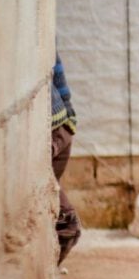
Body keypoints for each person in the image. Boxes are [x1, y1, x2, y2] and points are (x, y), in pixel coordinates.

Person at [51, 53, 81, 263]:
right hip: (53, 133)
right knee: (66, 226)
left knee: (65, 225)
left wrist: (70, 116)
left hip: (59, 130)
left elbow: (55, 64)